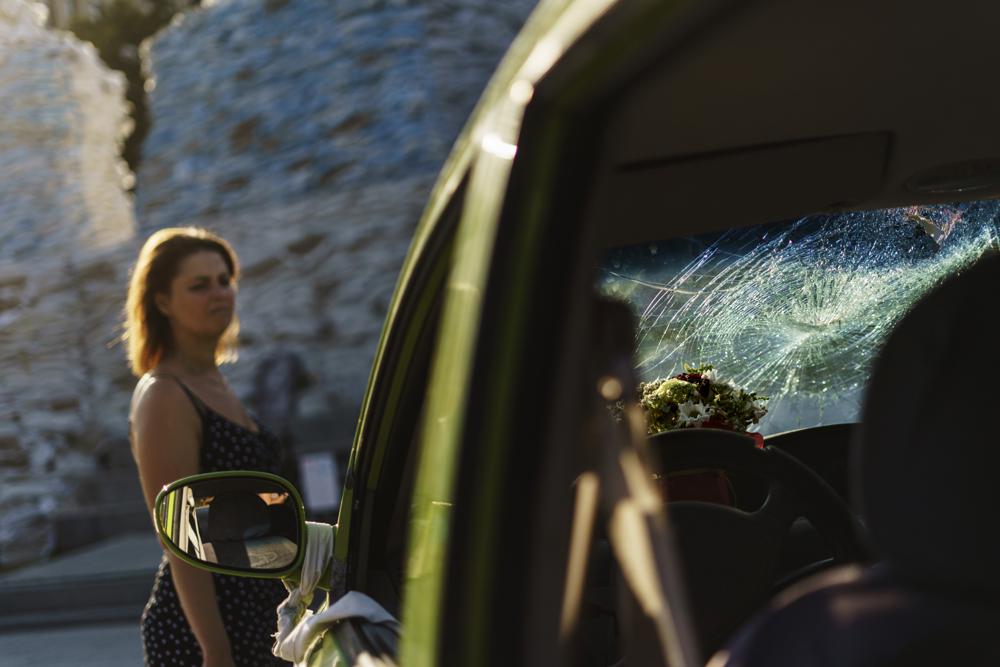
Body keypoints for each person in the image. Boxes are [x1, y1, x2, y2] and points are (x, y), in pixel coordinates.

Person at [125, 227, 290, 667]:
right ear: (163, 302)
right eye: (199, 286)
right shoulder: (165, 394)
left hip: (259, 606)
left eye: (224, 280)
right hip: (209, 626)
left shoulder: (215, 382)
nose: (219, 293)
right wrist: (214, 649)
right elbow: (179, 537)